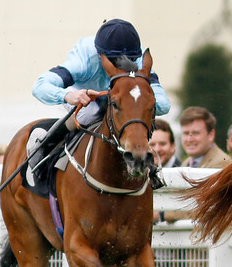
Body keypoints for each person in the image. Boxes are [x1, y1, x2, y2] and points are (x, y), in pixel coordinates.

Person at [28, 18, 171, 184]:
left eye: (129, 61)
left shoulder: (138, 60)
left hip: (119, 103)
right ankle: (44, 144)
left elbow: (164, 104)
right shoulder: (84, 60)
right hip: (83, 95)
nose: (124, 66)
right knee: (88, 113)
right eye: (115, 62)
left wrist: (139, 101)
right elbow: (40, 86)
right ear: (100, 55)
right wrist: (68, 96)